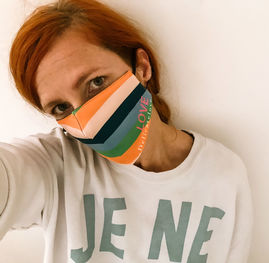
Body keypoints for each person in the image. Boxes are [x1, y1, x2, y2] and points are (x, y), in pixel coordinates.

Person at [0, 0, 254, 262]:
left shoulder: (223, 174)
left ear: (141, 67)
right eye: (61, 107)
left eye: (95, 82)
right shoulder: (59, 166)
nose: (87, 123)